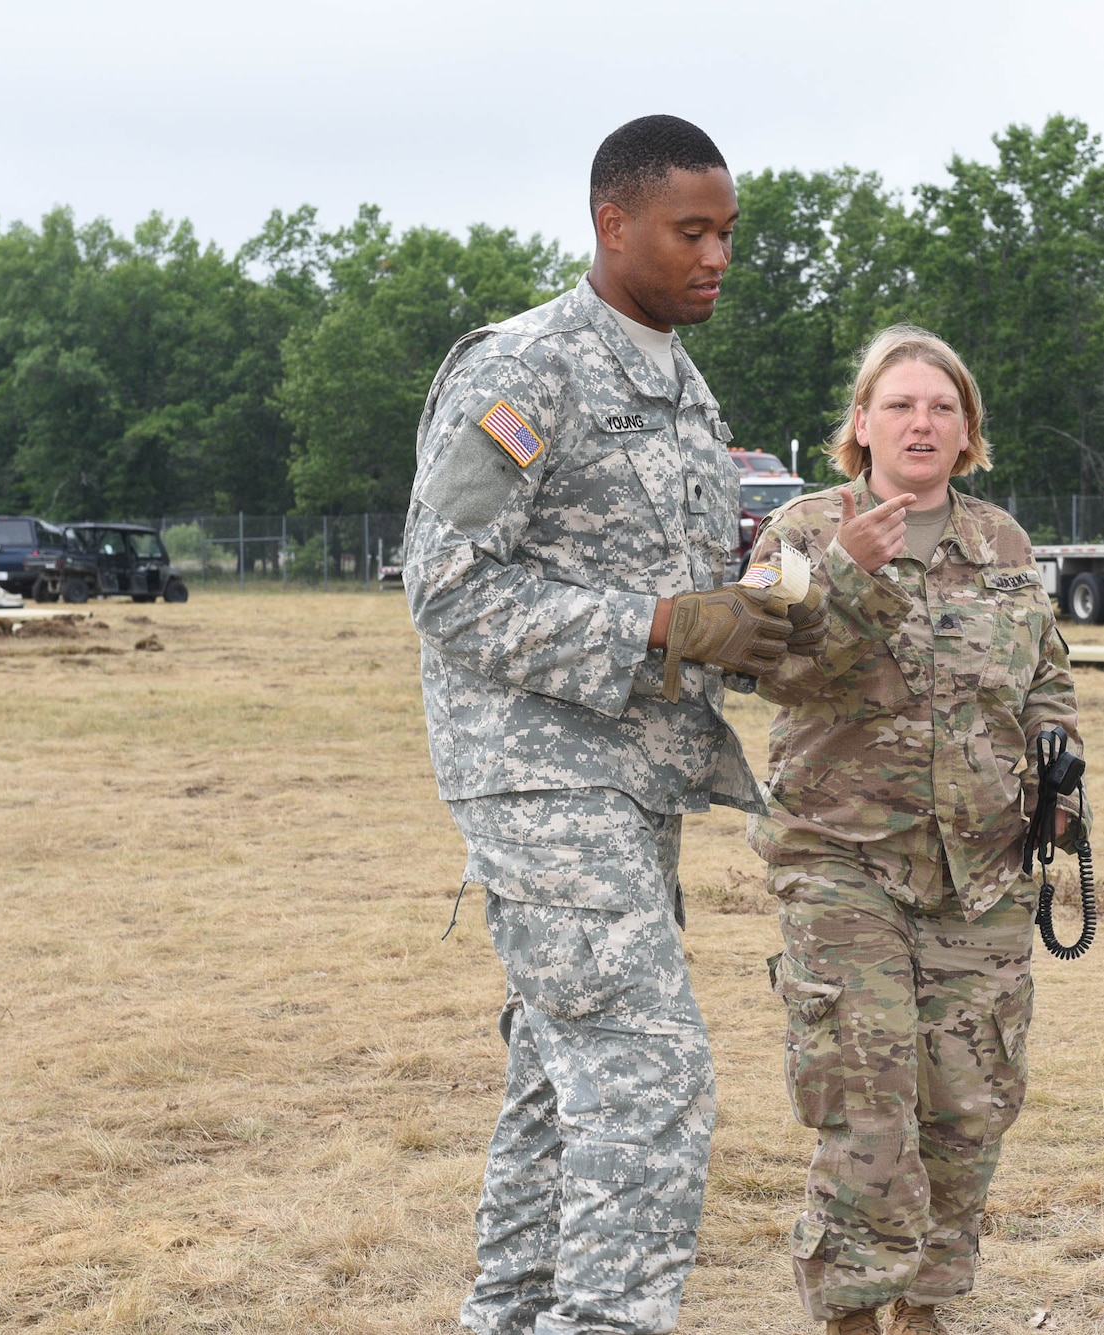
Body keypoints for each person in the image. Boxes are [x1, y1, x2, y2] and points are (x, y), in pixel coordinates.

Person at [402, 115, 822, 1335]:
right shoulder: (522, 371)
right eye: (691, 231)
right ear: (611, 223)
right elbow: (444, 586)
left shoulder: (682, 390)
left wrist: (753, 617)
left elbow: (686, 589)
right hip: (538, 783)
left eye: (728, 233)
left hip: (634, 781)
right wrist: (658, 625)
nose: (717, 256)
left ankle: (511, 1316)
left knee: (558, 1073)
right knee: (648, 1078)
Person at [744, 326, 1086, 1335]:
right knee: (867, 1099)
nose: (920, 422)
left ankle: (927, 1311)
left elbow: (1044, 676)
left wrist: (1058, 762)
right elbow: (769, 667)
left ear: (967, 429)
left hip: (980, 873)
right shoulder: (802, 532)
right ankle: (852, 1312)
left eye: (941, 406)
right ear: (860, 424)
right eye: (898, 404)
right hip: (842, 865)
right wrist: (842, 574)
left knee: (967, 1104)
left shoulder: (1002, 544)